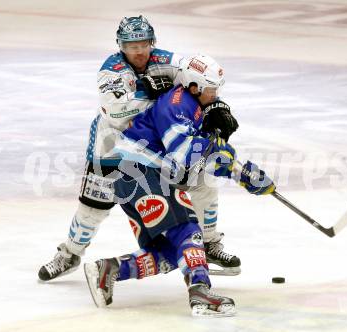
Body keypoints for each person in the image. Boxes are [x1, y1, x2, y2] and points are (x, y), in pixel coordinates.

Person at [38, 15, 240, 282]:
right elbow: (118, 111)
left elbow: (199, 79)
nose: (139, 50)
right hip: (110, 148)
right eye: (132, 45)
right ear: (121, 46)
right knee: (92, 208)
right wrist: (157, 94)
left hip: (154, 149)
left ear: (151, 42)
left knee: (204, 182)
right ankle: (70, 254)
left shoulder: (165, 60)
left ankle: (210, 243)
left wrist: (217, 106)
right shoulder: (110, 70)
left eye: (144, 43)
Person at [84, 54, 275, 317]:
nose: (215, 94)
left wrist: (243, 172)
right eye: (211, 89)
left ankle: (111, 269)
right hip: (139, 172)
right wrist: (229, 162)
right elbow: (186, 155)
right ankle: (200, 292)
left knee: (174, 252)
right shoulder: (176, 105)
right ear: (195, 86)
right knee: (188, 231)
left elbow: (202, 153)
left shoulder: (191, 104)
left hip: (134, 176)